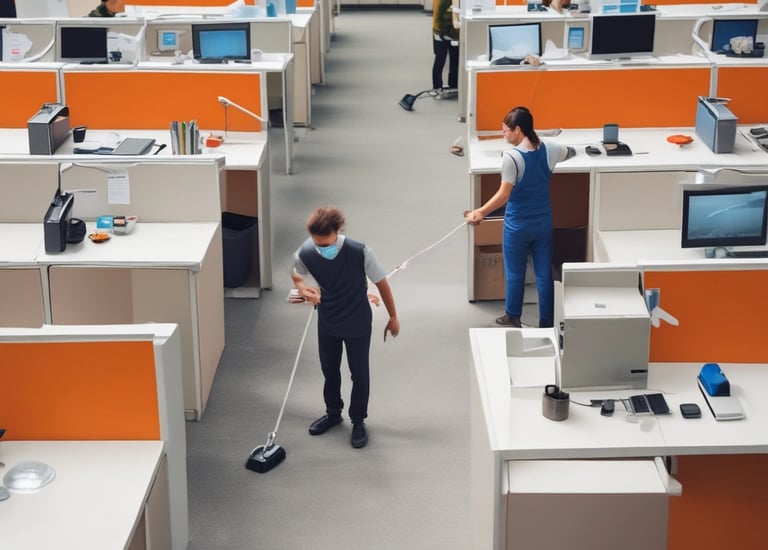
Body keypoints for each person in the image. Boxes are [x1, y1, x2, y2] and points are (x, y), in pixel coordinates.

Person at [291, 206, 399, 449]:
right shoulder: (306, 251)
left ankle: (358, 420)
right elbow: (297, 274)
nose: (321, 249)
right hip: (328, 320)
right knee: (329, 369)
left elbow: (382, 284)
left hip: (357, 321)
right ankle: (333, 413)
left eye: (326, 244)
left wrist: (393, 316)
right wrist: (303, 289)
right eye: (317, 244)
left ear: (337, 231)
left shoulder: (360, 252)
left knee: (359, 373)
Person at [465, 107, 575, 329]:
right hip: (543, 222)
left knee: (515, 272)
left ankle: (513, 315)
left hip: (518, 226)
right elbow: (570, 152)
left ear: (518, 130)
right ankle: (547, 322)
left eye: (505, 130)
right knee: (544, 274)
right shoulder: (550, 148)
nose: (503, 134)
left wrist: (480, 212)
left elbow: (503, 195)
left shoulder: (512, 158)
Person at [431, 0, 459, 92]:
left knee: (441, 60)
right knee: (451, 61)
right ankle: (452, 86)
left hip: (442, 32)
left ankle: (438, 87)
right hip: (448, 33)